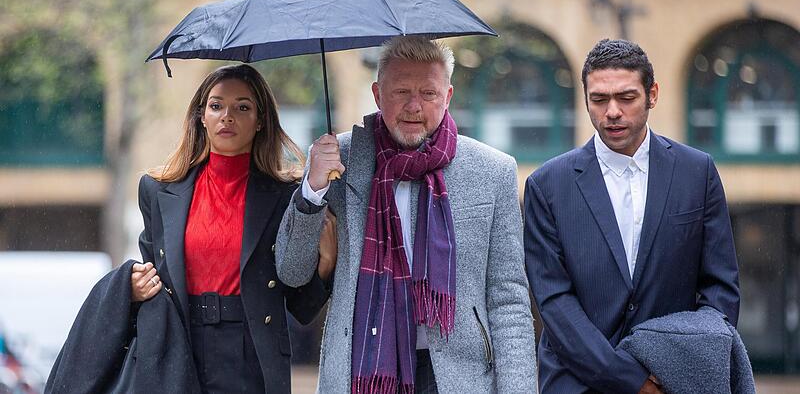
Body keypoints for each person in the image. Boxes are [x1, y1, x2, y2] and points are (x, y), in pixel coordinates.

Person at [275, 36, 537, 393]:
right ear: (377, 94)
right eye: (401, 92)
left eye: (428, 93)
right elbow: (291, 271)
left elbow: (508, 300)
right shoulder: (338, 161)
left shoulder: (492, 171)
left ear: (448, 96)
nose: (414, 106)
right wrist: (312, 190)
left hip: (461, 379)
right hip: (363, 371)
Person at [523, 38, 741, 393]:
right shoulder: (546, 185)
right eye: (599, 99)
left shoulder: (697, 172)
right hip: (578, 382)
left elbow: (720, 289)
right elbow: (554, 302)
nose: (612, 112)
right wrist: (631, 380)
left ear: (652, 94)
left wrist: (693, 361)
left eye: (626, 98)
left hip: (675, 381)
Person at [132, 64, 332, 393]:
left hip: (253, 353)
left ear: (260, 120)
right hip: (179, 347)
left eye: (242, 107)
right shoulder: (157, 190)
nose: (227, 117)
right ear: (201, 116)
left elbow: (301, 306)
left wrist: (325, 264)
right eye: (216, 106)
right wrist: (135, 288)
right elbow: (153, 278)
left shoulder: (286, 196)